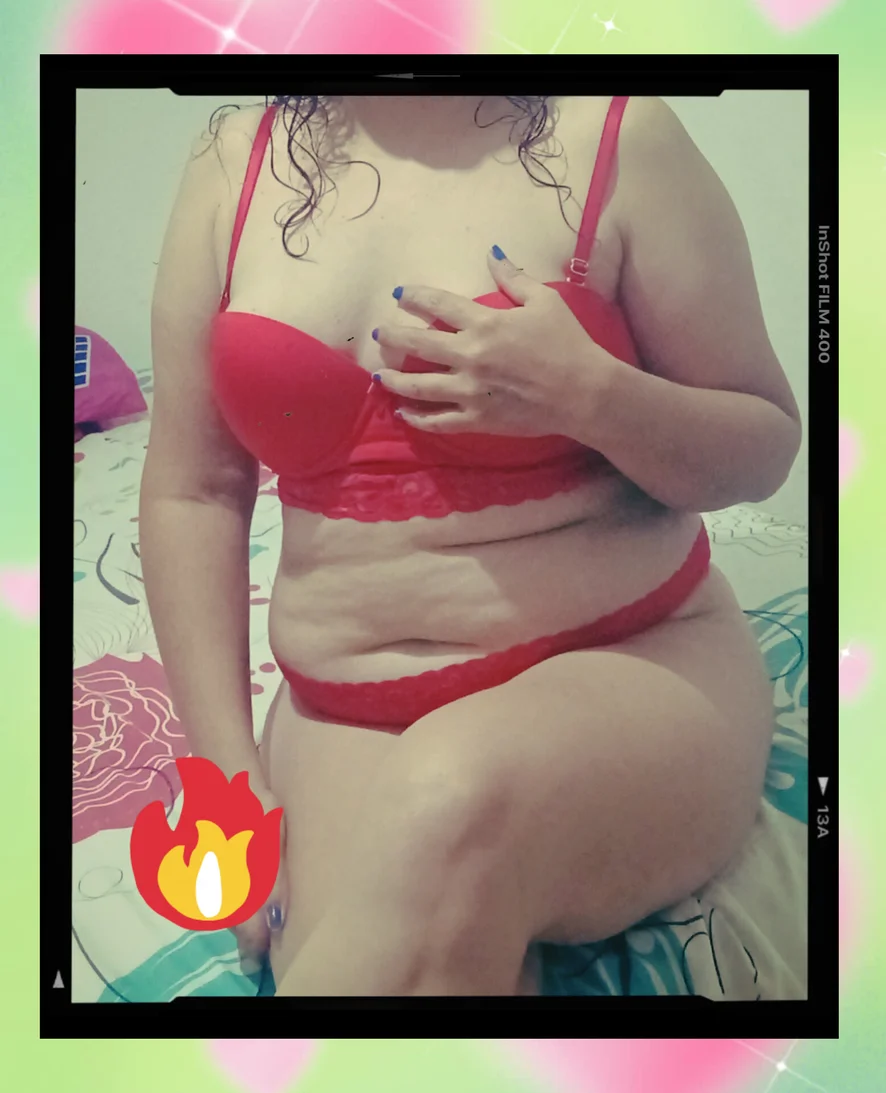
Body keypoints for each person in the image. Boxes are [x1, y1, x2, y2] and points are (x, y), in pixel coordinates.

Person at [140, 94, 802, 997]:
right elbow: (195, 491)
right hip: (346, 710)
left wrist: (594, 397)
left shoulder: (620, 134)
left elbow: (764, 446)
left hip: (636, 660)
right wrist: (223, 769)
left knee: (452, 797)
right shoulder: (232, 158)